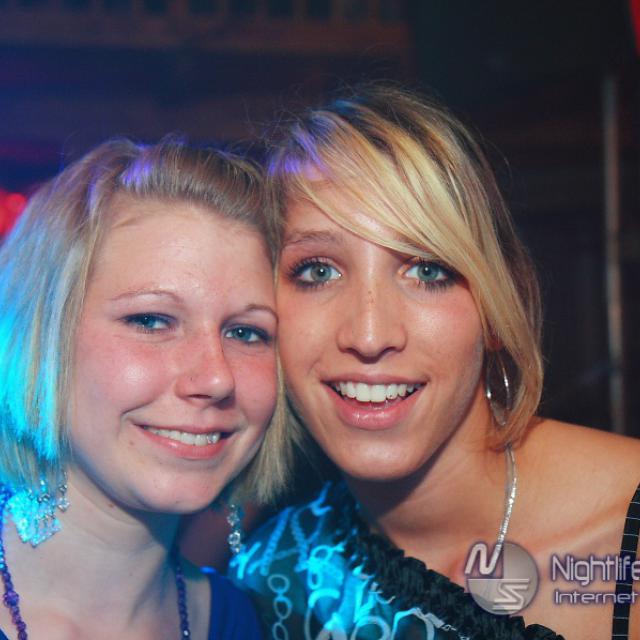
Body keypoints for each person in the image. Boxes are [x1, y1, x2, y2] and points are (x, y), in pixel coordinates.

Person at [228, 86, 640, 640]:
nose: (369, 335)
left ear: (497, 308)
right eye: (318, 271)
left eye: (427, 270)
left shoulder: (625, 530)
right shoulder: (268, 582)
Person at [0, 137, 289, 639]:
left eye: (246, 333)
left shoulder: (239, 623)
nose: (216, 378)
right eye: (152, 320)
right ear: (42, 337)